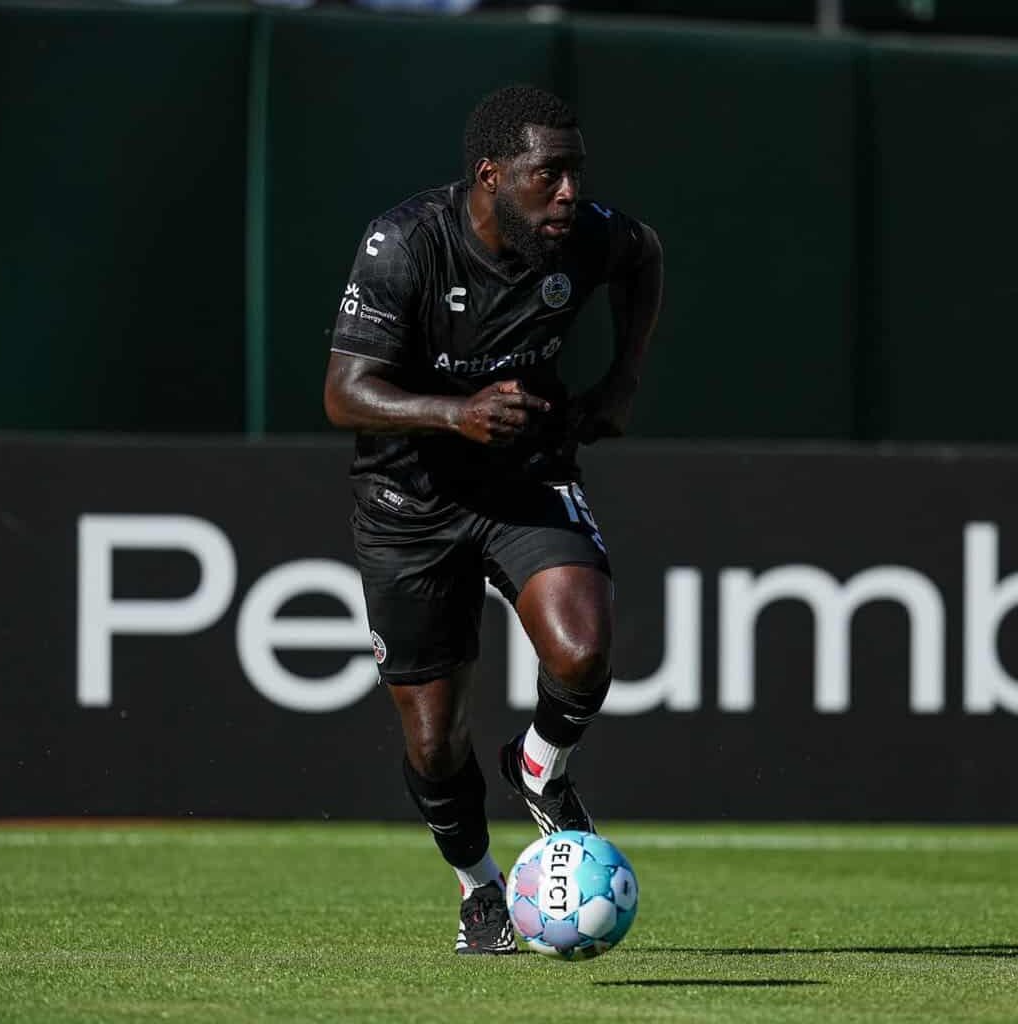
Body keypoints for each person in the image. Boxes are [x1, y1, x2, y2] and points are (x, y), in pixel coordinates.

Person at [322, 84, 663, 955]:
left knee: (583, 651)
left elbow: (644, 255)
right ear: (490, 174)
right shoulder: (404, 245)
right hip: (410, 505)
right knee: (435, 744)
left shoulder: (584, 239)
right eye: (548, 174)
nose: (568, 193)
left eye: (575, 173)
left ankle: (539, 767)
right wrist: (455, 413)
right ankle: (479, 889)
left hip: (528, 476)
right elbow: (343, 394)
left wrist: (620, 381)